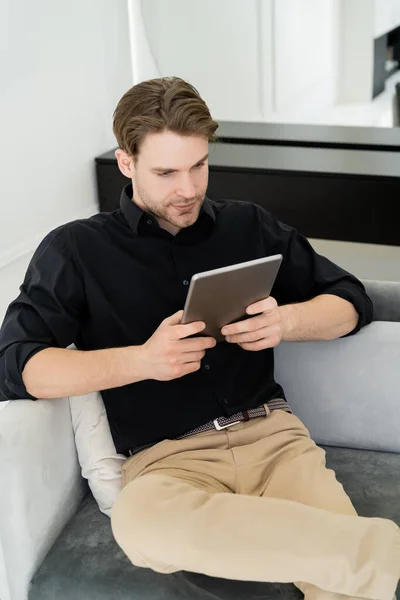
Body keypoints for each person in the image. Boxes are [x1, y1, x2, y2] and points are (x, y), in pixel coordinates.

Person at [0, 76, 399, 600]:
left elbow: (352, 299)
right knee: (141, 525)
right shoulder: (76, 250)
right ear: (126, 163)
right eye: (166, 172)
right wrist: (143, 361)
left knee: (346, 591)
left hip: (275, 443)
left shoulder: (247, 225)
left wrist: (287, 322)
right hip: (168, 465)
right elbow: (17, 365)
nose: (187, 189)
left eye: (198, 166)